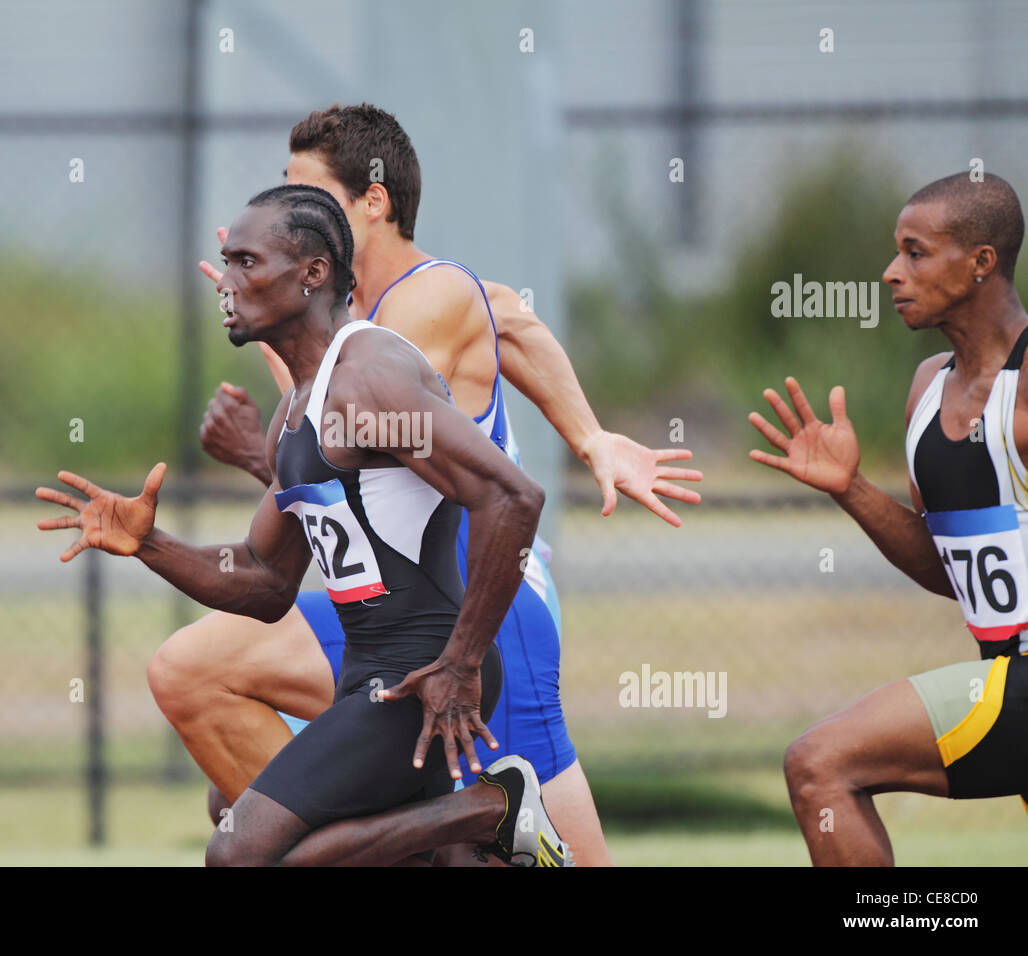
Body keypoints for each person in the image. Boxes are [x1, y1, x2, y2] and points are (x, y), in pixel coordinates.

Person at [149, 104, 702, 866]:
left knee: (556, 844)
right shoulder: (351, 325)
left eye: (308, 193)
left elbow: (503, 324)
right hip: (387, 607)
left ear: (372, 202)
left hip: (482, 603)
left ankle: (463, 823)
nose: (293, 208)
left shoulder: (411, 307)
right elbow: (348, 470)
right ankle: (432, 830)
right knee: (205, 702)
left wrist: (587, 436)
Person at [39, 183, 572, 866]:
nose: (227, 282)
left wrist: (461, 663)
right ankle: (469, 845)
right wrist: (149, 544)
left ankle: (488, 810)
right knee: (237, 810)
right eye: (227, 262)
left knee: (238, 853)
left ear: (313, 273)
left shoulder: (369, 377)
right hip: (365, 672)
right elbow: (265, 581)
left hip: (421, 672)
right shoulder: (296, 409)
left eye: (247, 262)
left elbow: (512, 495)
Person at [750, 172, 1028, 865]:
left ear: (981, 264)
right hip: (1002, 677)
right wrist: (851, 489)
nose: (890, 273)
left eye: (915, 252)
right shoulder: (928, 388)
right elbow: (947, 570)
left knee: (820, 763)